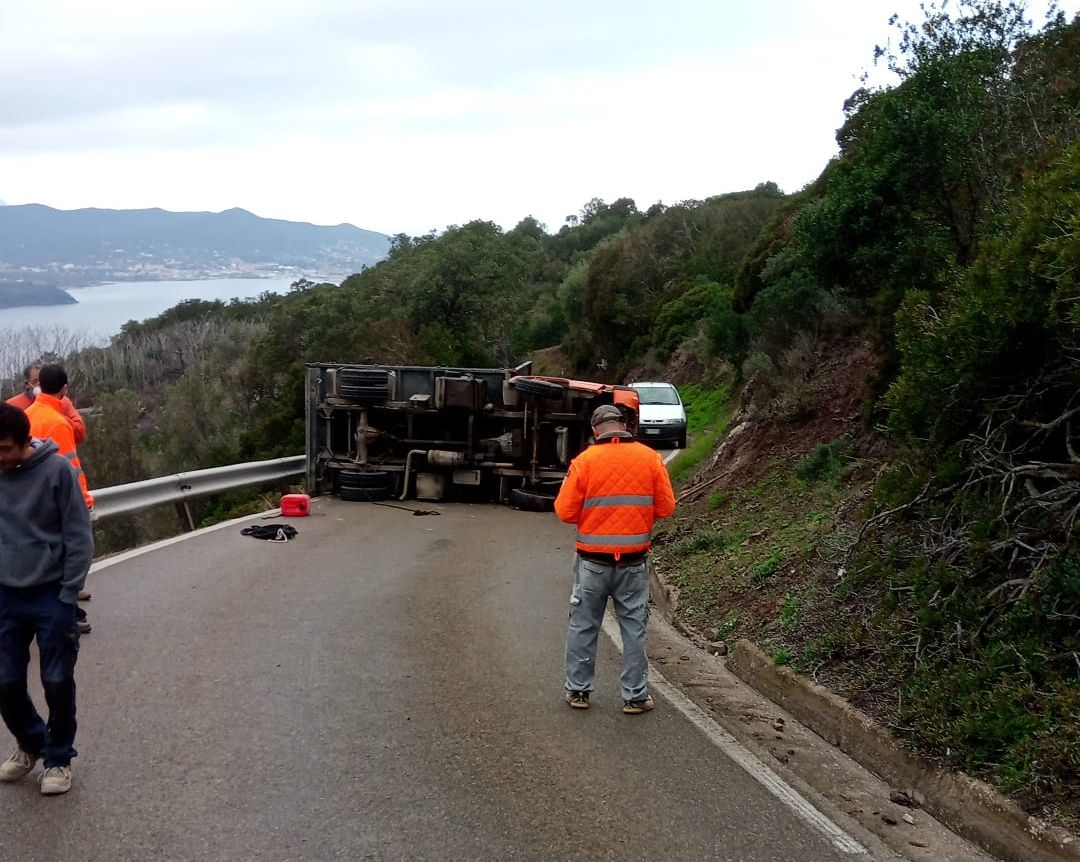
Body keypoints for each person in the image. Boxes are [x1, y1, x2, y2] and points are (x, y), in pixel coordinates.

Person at [555, 403, 676, 714]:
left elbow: (565, 512)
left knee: (584, 626)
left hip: (593, 563)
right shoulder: (651, 459)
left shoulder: (584, 462)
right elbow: (665, 509)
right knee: (634, 628)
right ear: (624, 425)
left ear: (596, 430)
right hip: (634, 563)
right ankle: (635, 696)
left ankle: (579, 692)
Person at [0, 402, 93, 795]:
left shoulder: (57, 471)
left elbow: (78, 534)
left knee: (56, 680)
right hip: (6, 593)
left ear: (24, 443)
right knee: (5, 681)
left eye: (4, 449)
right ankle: (32, 743)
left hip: (52, 593)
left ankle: (58, 758)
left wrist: (69, 592)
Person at [24, 365, 94, 634]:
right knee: (72, 557)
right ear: (64, 390)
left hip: (34, 500)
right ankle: (67, 613)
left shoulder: (28, 415)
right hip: (61, 502)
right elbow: (70, 469)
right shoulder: (57, 422)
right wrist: (83, 501)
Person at [6, 363, 87, 446]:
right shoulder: (11, 406)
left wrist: (58, 419)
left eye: (43, 381)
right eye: (36, 381)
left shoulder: (63, 401)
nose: (40, 385)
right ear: (27, 384)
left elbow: (80, 434)